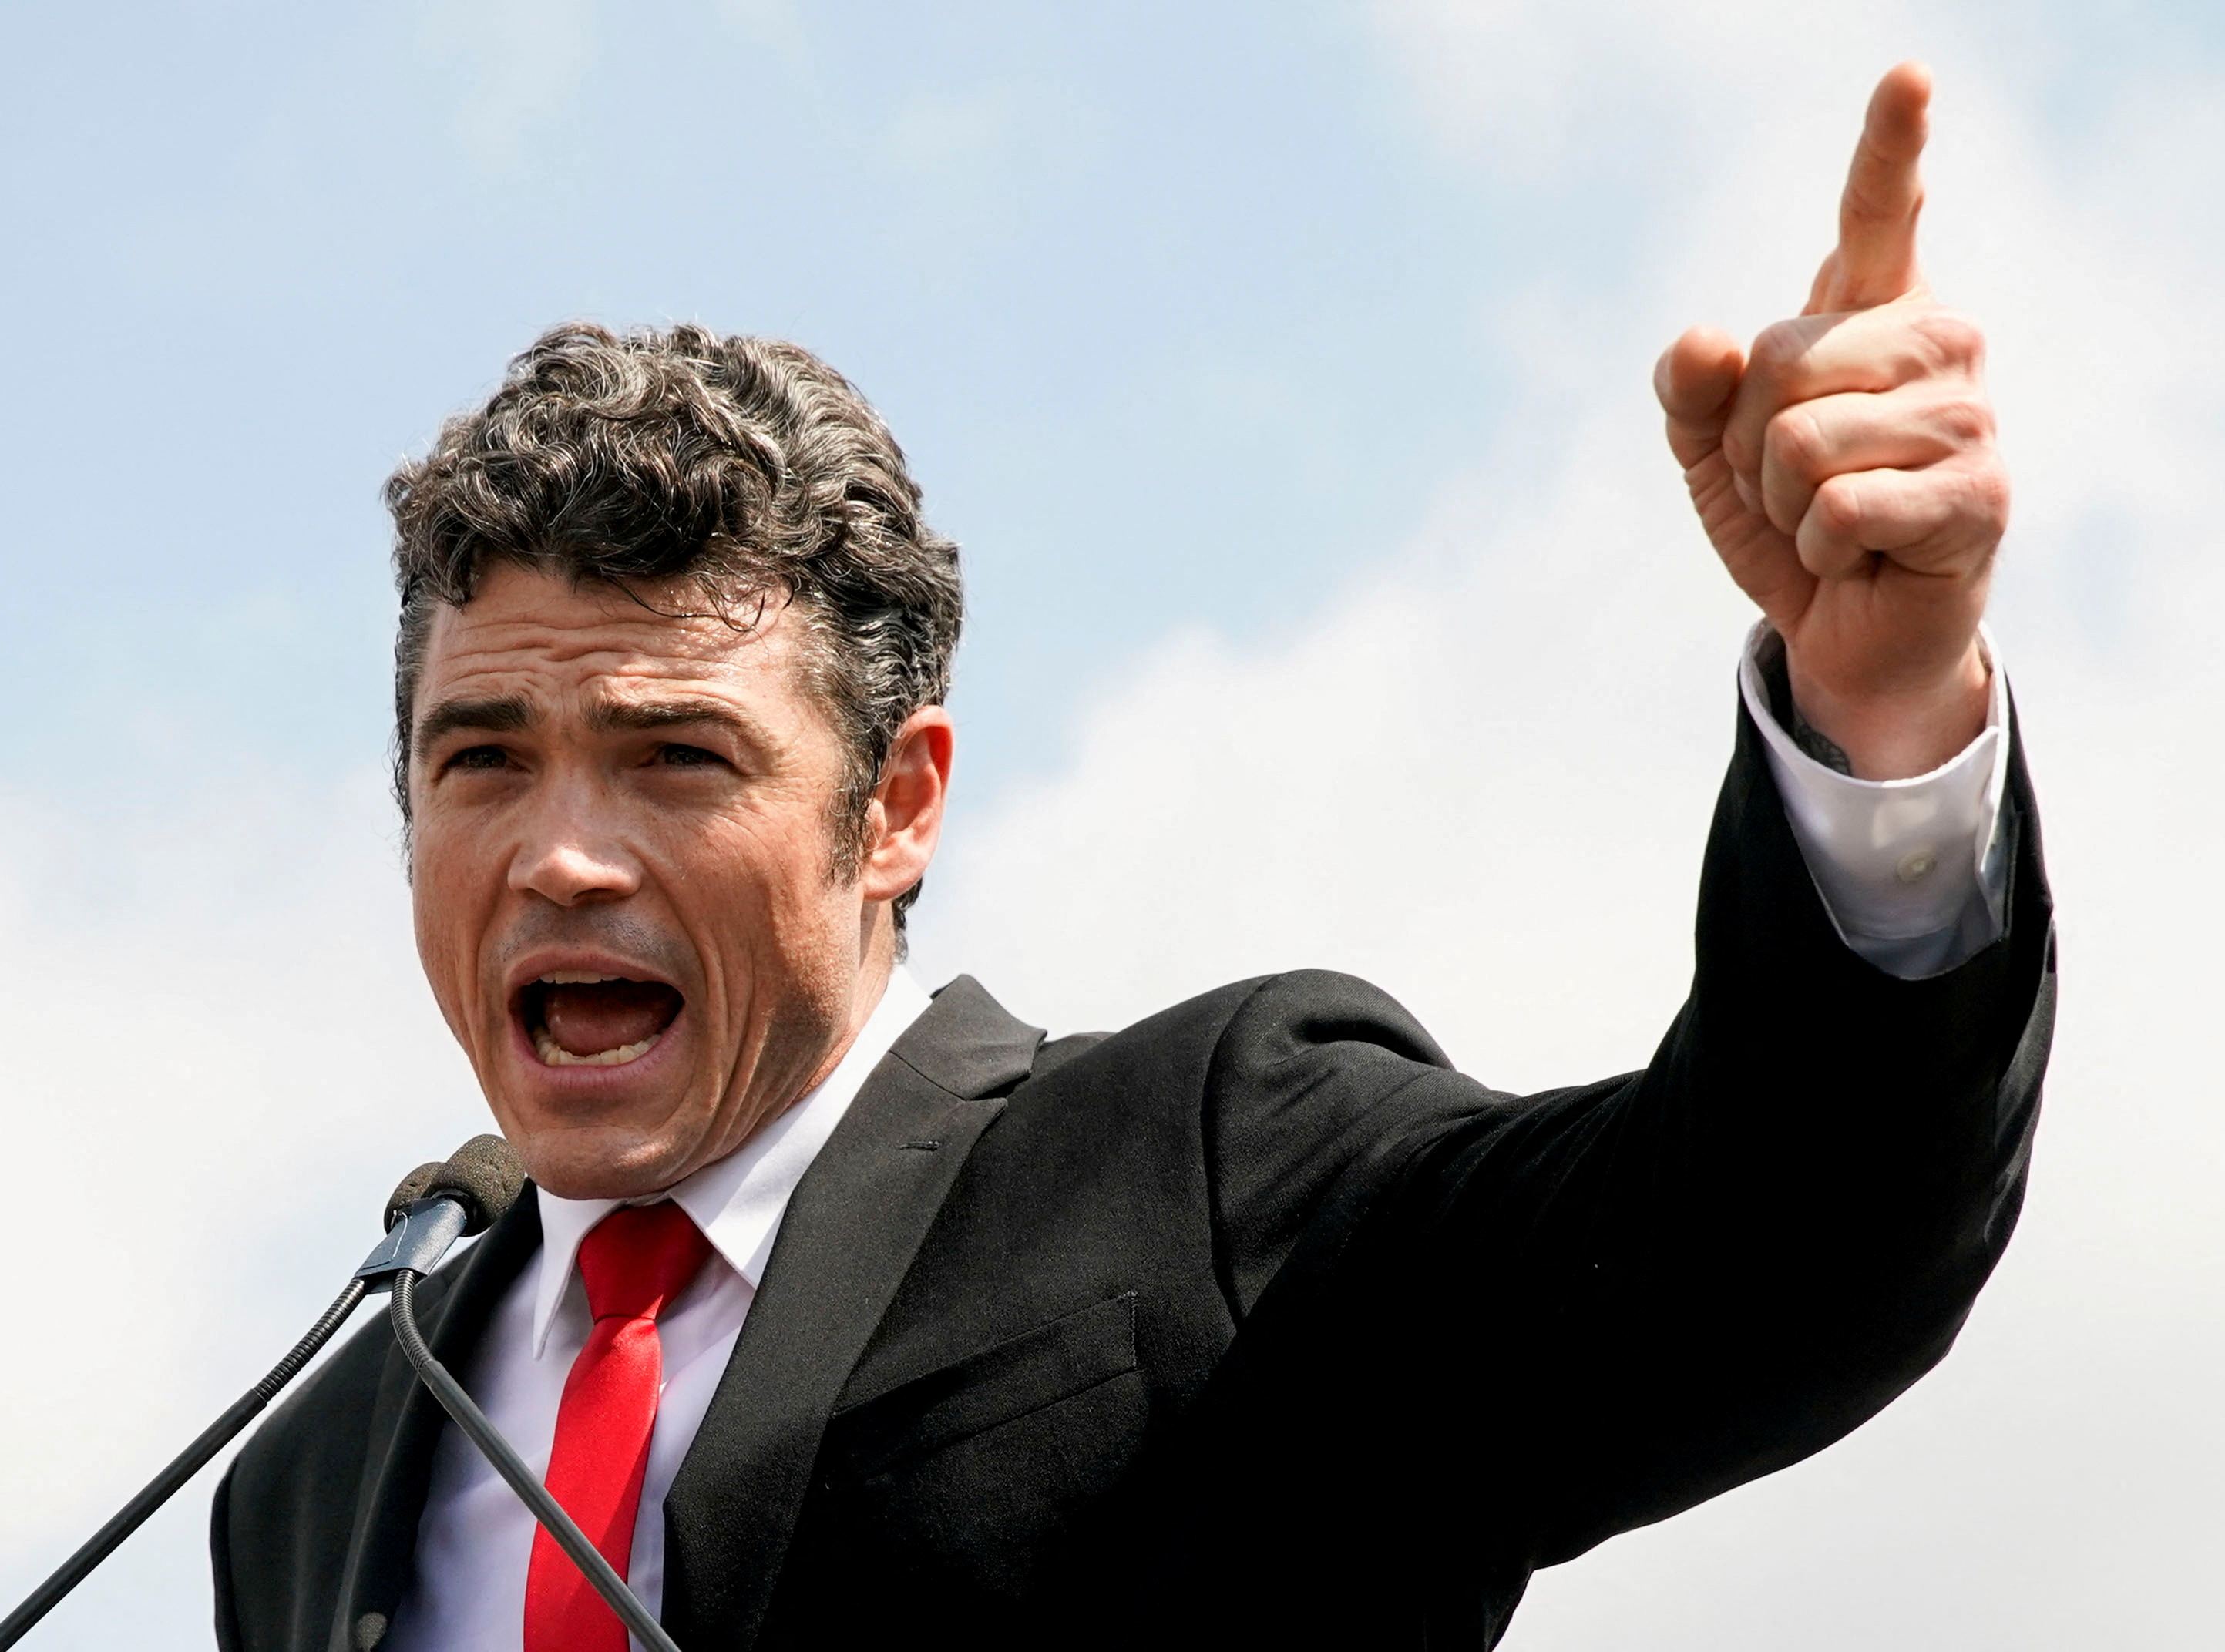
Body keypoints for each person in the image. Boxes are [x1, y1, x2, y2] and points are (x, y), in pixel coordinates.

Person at [210, 62, 2052, 1652]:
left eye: (676, 756)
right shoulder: (322, 1455)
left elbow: (1775, 1254)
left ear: (897, 805)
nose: (560, 856)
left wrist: (1881, 722)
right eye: (481, 762)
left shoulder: (1205, 1166)